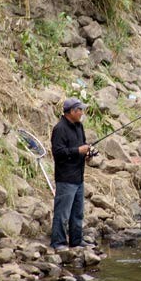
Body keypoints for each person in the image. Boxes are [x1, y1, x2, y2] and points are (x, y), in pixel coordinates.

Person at [50, 97, 93, 251]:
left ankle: (76, 240)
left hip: (78, 176)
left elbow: (83, 147)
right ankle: (58, 242)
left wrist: (87, 154)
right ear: (72, 112)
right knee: (62, 213)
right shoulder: (60, 128)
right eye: (80, 110)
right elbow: (58, 153)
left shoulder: (79, 126)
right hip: (65, 178)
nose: (82, 113)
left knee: (78, 212)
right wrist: (78, 151)